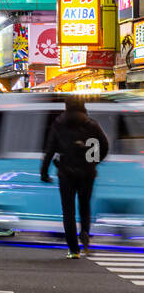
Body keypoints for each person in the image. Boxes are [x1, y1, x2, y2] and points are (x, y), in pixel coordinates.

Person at [41, 98, 110, 258]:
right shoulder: (92, 124)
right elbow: (104, 146)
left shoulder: (58, 124)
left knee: (68, 211)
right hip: (87, 173)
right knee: (84, 207)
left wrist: (44, 172)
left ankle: (73, 250)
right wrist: (94, 161)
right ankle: (85, 232)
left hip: (66, 173)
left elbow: (50, 150)